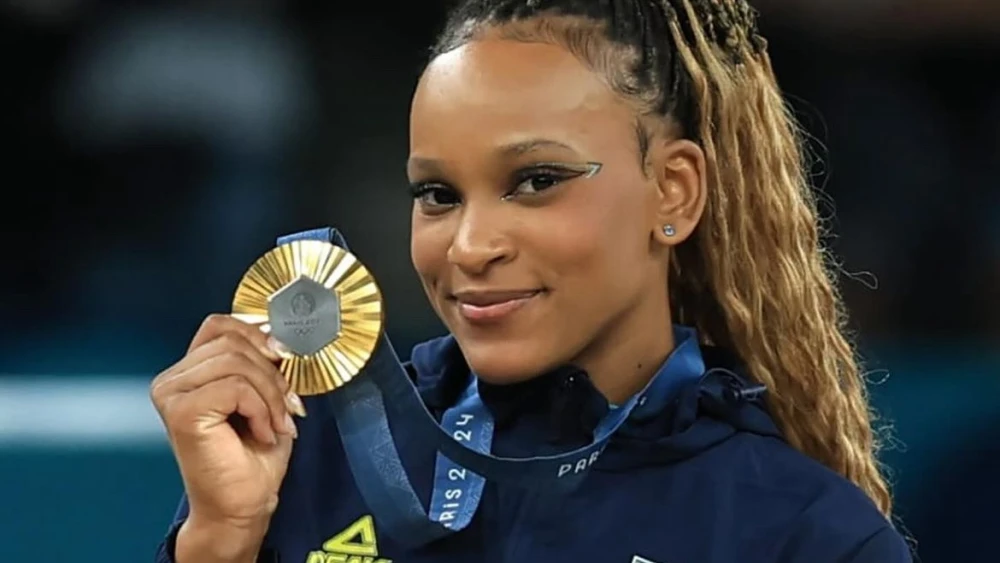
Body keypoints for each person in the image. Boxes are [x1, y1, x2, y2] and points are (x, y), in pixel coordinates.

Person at [151, 0, 912, 561]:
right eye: (438, 195)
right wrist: (221, 537)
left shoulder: (802, 532)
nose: (471, 246)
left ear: (673, 191)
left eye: (537, 179)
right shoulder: (307, 457)